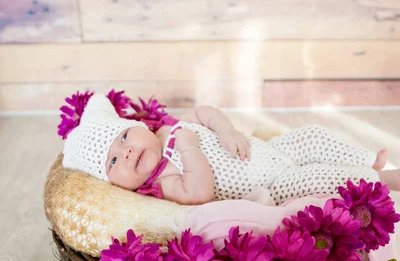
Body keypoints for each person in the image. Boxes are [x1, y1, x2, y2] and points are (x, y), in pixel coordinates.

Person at [62, 94, 400, 206]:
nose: (128, 152)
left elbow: (203, 112)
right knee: (318, 179)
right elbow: (200, 191)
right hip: (270, 186)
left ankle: (367, 158)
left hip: (267, 150)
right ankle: (383, 179)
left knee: (310, 135)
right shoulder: (162, 181)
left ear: (138, 126)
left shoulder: (168, 127)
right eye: (113, 161)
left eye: (123, 138)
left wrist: (225, 129)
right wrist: (190, 149)